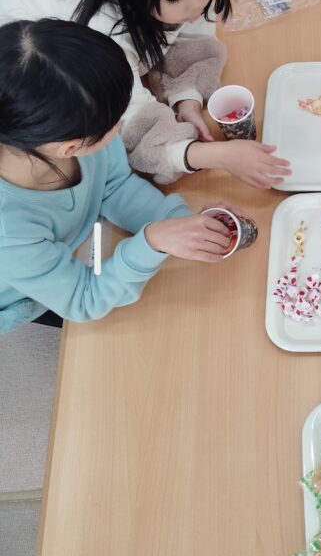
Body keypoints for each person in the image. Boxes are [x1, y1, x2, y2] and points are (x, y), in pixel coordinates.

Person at [0, 0, 290, 187]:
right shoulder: (101, 39)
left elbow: (190, 32)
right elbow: (128, 127)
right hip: (19, 57)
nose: (198, 3)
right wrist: (215, 156)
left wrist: (186, 99)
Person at [0, 20, 239, 334]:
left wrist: (177, 222)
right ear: (70, 148)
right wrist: (151, 242)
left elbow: (114, 185)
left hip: (72, 245)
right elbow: (84, 300)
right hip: (28, 291)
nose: (119, 127)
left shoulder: (72, 128)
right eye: (114, 123)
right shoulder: (10, 232)